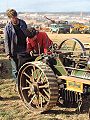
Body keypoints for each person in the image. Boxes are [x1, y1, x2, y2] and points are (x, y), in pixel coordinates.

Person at [4, 9, 27, 80]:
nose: (14, 19)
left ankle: (23, 84)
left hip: (24, 48)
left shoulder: (23, 23)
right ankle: (17, 85)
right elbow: (6, 40)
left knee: (23, 67)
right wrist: (8, 53)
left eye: (15, 17)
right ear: (9, 18)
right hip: (13, 50)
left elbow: (28, 35)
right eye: (12, 18)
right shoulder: (7, 27)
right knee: (15, 69)